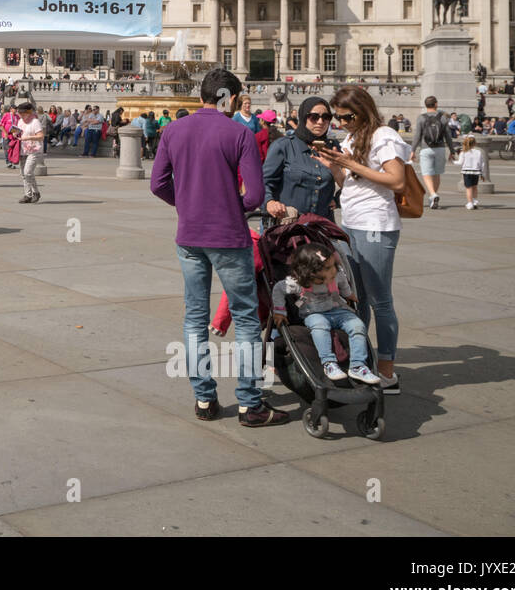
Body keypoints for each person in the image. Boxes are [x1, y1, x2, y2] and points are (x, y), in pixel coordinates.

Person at [149, 67, 287, 427]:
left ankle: (204, 399)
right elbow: (255, 194)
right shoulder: (239, 133)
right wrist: (229, 205)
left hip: (190, 236)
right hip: (229, 236)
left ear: (202, 97)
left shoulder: (174, 129)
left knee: (195, 318)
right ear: (231, 99)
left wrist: (187, 204)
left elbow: (157, 184)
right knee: (243, 318)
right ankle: (250, 404)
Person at [313, 85, 410, 394]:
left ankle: (387, 372)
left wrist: (352, 164)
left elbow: (397, 180)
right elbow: (351, 183)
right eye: (336, 117)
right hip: (353, 222)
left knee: (381, 300)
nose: (339, 123)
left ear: (362, 110)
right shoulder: (353, 138)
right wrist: (335, 168)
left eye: (344, 116)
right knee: (359, 298)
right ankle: (360, 361)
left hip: (376, 225)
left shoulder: (384, 136)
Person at [271, 243, 380, 384]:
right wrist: (280, 311)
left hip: (337, 310)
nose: (334, 270)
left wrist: (348, 295)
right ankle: (329, 363)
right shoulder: (298, 283)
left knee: (358, 325)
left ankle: (358, 365)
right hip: (314, 314)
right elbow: (278, 289)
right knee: (319, 325)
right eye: (328, 268)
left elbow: (343, 284)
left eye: (334, 265)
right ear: (311, 272)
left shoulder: (336, 275)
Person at [263, 95, 340, 225]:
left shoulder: (333, 147)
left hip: (322, 227)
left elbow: (352, 181)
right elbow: (264, 181)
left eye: (326, 117)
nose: (320, 122)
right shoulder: (284, 146)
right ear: (304, 118)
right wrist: (270, 202)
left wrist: (338, 200)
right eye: (314, 117)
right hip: (290, 226)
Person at [412, 95, 451, 209]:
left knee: (426, 173)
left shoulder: (421, 117)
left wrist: (412, 150)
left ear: (425, 105)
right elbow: (448, 135)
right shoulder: (443, 118)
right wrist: (452, 150)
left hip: (426, 148)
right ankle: (433, 197)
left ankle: (433, 194)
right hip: (440, 148)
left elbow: (417, 136)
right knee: (436, 173)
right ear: (436, 104)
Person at [15, 102, 43, 202]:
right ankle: (28, 194)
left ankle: (36, 192)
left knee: (28, 172)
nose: (21, 115)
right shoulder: (20, 121)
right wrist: (16, 134)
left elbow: (41, 136)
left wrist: (28, 137)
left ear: (29, 112)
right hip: (23, 149)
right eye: (20, 113)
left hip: (34, 150)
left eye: (23, 113)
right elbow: (19, 133)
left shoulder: (35, 122)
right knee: (24, 174)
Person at [455, 134, 485, 210]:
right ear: (475, 143)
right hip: (476, 172)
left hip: (467, 172)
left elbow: (460, 163)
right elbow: (482, 163)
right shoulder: (479, 152)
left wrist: (453, 161)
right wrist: (482, 173)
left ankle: (470, 203)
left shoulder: (463, 152)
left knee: (468, 188)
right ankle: (474, 201)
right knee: (475, 187)